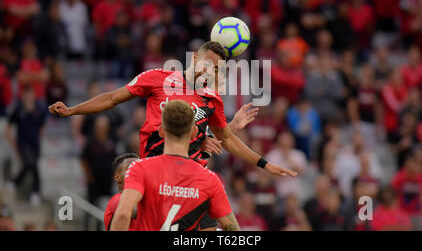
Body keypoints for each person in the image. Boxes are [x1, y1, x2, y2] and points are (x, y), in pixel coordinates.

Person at [49, 41, 297, 229]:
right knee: (123, 212)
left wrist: (264, 163)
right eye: (207, 63)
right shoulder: (158, 78)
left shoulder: (212, 99)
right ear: (195, 58)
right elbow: (113, 97)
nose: (209, 71)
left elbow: (227, 139)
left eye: (216, 69)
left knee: (228, 229)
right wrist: (73, 110)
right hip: (156, 175)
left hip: (191, 182)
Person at [110, 100, 240, 231]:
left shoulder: (139, 168)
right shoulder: (210, 179)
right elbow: (232, 229)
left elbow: (122, 215)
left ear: (161, 131)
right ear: (194, 132)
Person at [6, 86, 47, 205]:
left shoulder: (39, 110)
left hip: (35, 143)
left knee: (33, 165)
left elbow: (41, 127)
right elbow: (8, 127)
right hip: (23, 143)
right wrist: (13, 142)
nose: (29, 97)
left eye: (31, 94)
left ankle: (18, 184)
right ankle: (33, 190)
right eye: (27, 95)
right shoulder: (18, 109)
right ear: (23, 96)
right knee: (30, 163)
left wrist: (39, 138)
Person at [104, 153, 139, 230]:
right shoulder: (117, 199)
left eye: (141, 167)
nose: (137, 170)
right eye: (130, 167)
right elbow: (134, 211)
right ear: (117, 177)